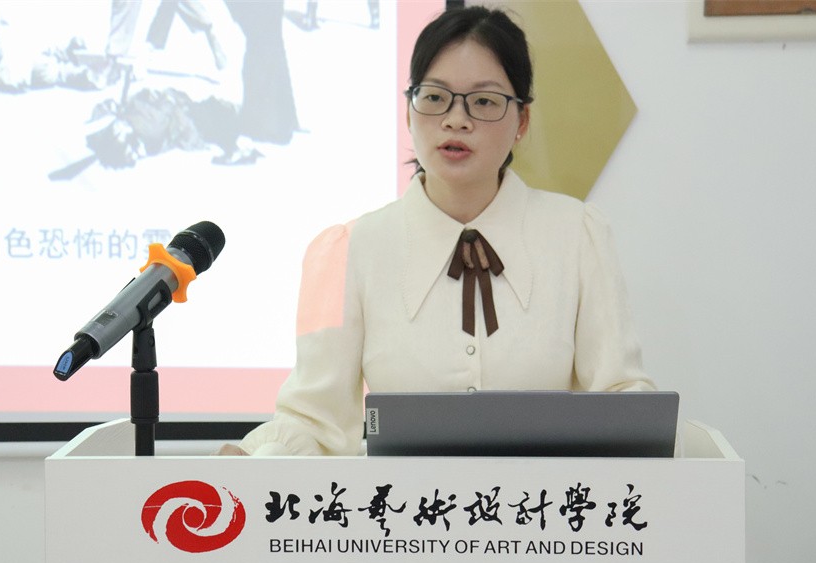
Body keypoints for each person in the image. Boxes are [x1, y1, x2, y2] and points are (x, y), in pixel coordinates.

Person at [221, 6, 654, 456]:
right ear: (409, 112)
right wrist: (257, 462)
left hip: (545, 500)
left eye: (484, 102)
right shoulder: (345, 251)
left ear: (522, 121)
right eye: (434, 97)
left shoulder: (578, 236)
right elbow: (314, 420)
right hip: (402, 504)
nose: (456, 120)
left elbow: (622, 400)